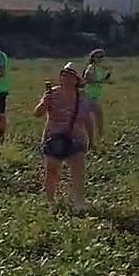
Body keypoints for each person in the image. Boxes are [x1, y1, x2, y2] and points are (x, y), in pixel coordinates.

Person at [35, 62, 93, 210]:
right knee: (52, 170)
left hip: (77, 137)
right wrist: (44, 103)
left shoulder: (82, 97)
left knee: (78, 169)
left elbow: (87, 118)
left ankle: (79, 201)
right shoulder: (52, 93)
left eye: (70, 76)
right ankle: (50, 201)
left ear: (77, 80)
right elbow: (37, 113)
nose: (66, 78)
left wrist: (91, 138)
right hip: (54, 136)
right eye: (64, 75)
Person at [82, 49, 110, 148]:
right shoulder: (91, 67)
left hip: (94, 95)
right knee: (97, 116)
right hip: (89, 95)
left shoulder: (98, 68)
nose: (100, 59)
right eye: (98, 57)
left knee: (96, 117)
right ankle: (97, 139)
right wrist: (99, 81)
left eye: (101, 57)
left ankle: (96, 139)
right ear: (93, 58)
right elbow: (88, 79)